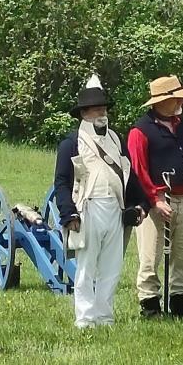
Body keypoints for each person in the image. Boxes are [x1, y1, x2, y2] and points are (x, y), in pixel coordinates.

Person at [53, 75, 150, 328]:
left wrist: (141, 204)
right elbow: (62, 182)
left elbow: (129, 176)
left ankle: (104, 316)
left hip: (114, 209)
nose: (102, 112)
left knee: (111, 267)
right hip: (88, 208)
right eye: (97, 108)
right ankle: (85, 318)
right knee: (86, 267)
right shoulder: (71, 143)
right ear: (84, 113)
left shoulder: (116, 140)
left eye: (104, 108)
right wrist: (69, 214)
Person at [127, 75, 183, 318]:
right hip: (155, 204)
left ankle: (180, 306)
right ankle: (150, 306)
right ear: (161, 102)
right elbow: (138, 171)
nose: (180, 103)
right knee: (150, 257)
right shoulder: (140, 131)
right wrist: (155, 198)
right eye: (175, 98)